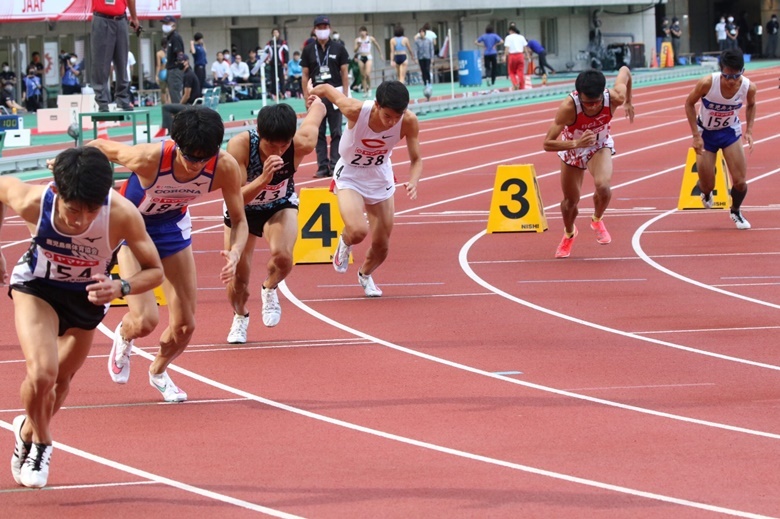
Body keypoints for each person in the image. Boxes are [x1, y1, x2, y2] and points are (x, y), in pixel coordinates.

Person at [1, 147, 163, 488]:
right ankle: (43, 442)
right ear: (57, 192)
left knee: (61, 382)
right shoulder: (33, 200)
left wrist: (122, 285)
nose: (82, 219)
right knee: (42, 373)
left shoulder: (122, 214)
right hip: (37, 288)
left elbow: (155, 271)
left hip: (87, 298)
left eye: (92, 210)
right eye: (74, 210)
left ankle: (26, 430)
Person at [85, 106, 248, 402]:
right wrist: (68, 170)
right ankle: (124, 333)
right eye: (190, 157)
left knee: (186, 326)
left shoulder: (224, 167)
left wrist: (236, 251)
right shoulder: (148, 158)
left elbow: (238, 220)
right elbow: (96, 147)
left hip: (171, 228)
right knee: (146, 320)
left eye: (205, 157)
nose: (197, 165)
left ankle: (158, 372)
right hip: (131, 229)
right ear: (177, 145)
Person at [223, 97, 327, 343]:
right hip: (243, 211)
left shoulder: (302, 143)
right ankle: (240, 315)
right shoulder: (239, 146)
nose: (278, 151)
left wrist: (316, 98)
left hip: (280, 205)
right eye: (271, 145)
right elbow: (235, 199)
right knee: (238, 279)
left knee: (283, 256)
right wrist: (263, 179)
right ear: (259, 133)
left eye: (284, 145)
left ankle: (269, 287)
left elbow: (318, 111)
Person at [309, 80, 422, 296]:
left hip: (379, 176)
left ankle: (365, 275)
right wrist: (310, 93)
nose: (392, 123)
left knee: (382, 246)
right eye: (388, 116)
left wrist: (414, 181)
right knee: (358, 230)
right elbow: (326, 89)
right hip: (351, 174)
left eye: (397, 117)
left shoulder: (408, 121)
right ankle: (345, 240)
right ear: (377, 105)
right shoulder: (355, 110)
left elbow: (416, 159)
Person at [543, 66, 634, 259]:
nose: (592, 106)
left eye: (596, 102)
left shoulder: (615, 97)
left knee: (604, 187)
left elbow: (625, 71)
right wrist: (577, 142)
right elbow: (547, 144)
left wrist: (628, 103)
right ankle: (569, 233)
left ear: (603, 94)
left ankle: (597, 219)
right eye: (587, 103)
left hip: (599, 145)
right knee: (570, 203)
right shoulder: (569, 107)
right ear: (578, 95)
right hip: (572, 149)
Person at [684, 48, 755, 230]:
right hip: (706, 133)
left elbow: (752, 105)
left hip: (729, 132)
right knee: (708, 185)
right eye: (726, 76)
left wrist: (749, 130)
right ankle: (706, 194)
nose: (731, 81)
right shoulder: (708, 83)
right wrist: (695, 135)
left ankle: (736, 210)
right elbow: (689, 103)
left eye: (736, 77)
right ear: (721, 71)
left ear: (742, 71)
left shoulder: (748, 86)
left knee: (740, 182)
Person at [301, 15, 350, 178]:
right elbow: (304, 75)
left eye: (325, 27)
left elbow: (344, 72)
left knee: (336, 131)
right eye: (319, 27)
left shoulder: (339, 48)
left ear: (329, 28)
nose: (323, 30)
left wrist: (345, 95)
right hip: (316, 96)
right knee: (318, 132)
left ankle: (335, 164)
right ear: (314, 30)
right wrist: (306, 97)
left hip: (335, 94)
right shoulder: (308, 50)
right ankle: (322, 166)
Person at [91, 0, 139, 112]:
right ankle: (102, 101)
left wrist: (134, 17)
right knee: (101, 63)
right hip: (101, 19)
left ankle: (123, 98)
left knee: (122, 61)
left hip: (121, 19)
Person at [160, 56, 201, 134]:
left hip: (191, 105)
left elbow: (187, 95)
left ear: (186, 62)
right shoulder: (189, 73)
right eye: (178, 61)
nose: (179, 63)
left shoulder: (188, 75)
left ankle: (170, 132)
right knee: (172, 106)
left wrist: (179, 106)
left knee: (166, 107)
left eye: (181, 61)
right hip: (194, 104)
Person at [354, 26, 385, 97]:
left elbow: (377, 45)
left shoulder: (370, 38)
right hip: (361, 56)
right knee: (362, 75)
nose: (362, 33)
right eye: (361, 31)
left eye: (364, 31)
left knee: (367, 74)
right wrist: (358, 46)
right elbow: (354, 50)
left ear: (366, 32)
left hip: (368, 56)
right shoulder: (357, 40)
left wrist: (380, 54)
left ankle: (369, 88)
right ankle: (365, 91)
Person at [163, 15, 185, 104]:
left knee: (175, 95)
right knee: (172, 94)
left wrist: (178, 64)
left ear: (174, 25)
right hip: (171, 69)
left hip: (175, 69)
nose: (165, 25)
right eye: (164, 23)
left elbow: (179, 53)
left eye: (167, 23)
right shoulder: (170, 38)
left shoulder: (175, 37)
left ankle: (180, 116)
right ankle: (177, 115)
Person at [156, 39, 171, 104]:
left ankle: (164, 106)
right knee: (170, 91)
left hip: (162, 72)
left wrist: (156, 75)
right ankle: (170, 106)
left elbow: (158, 65)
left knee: (163, 91)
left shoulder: (159, 53)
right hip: (170, 71)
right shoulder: (170, 52)